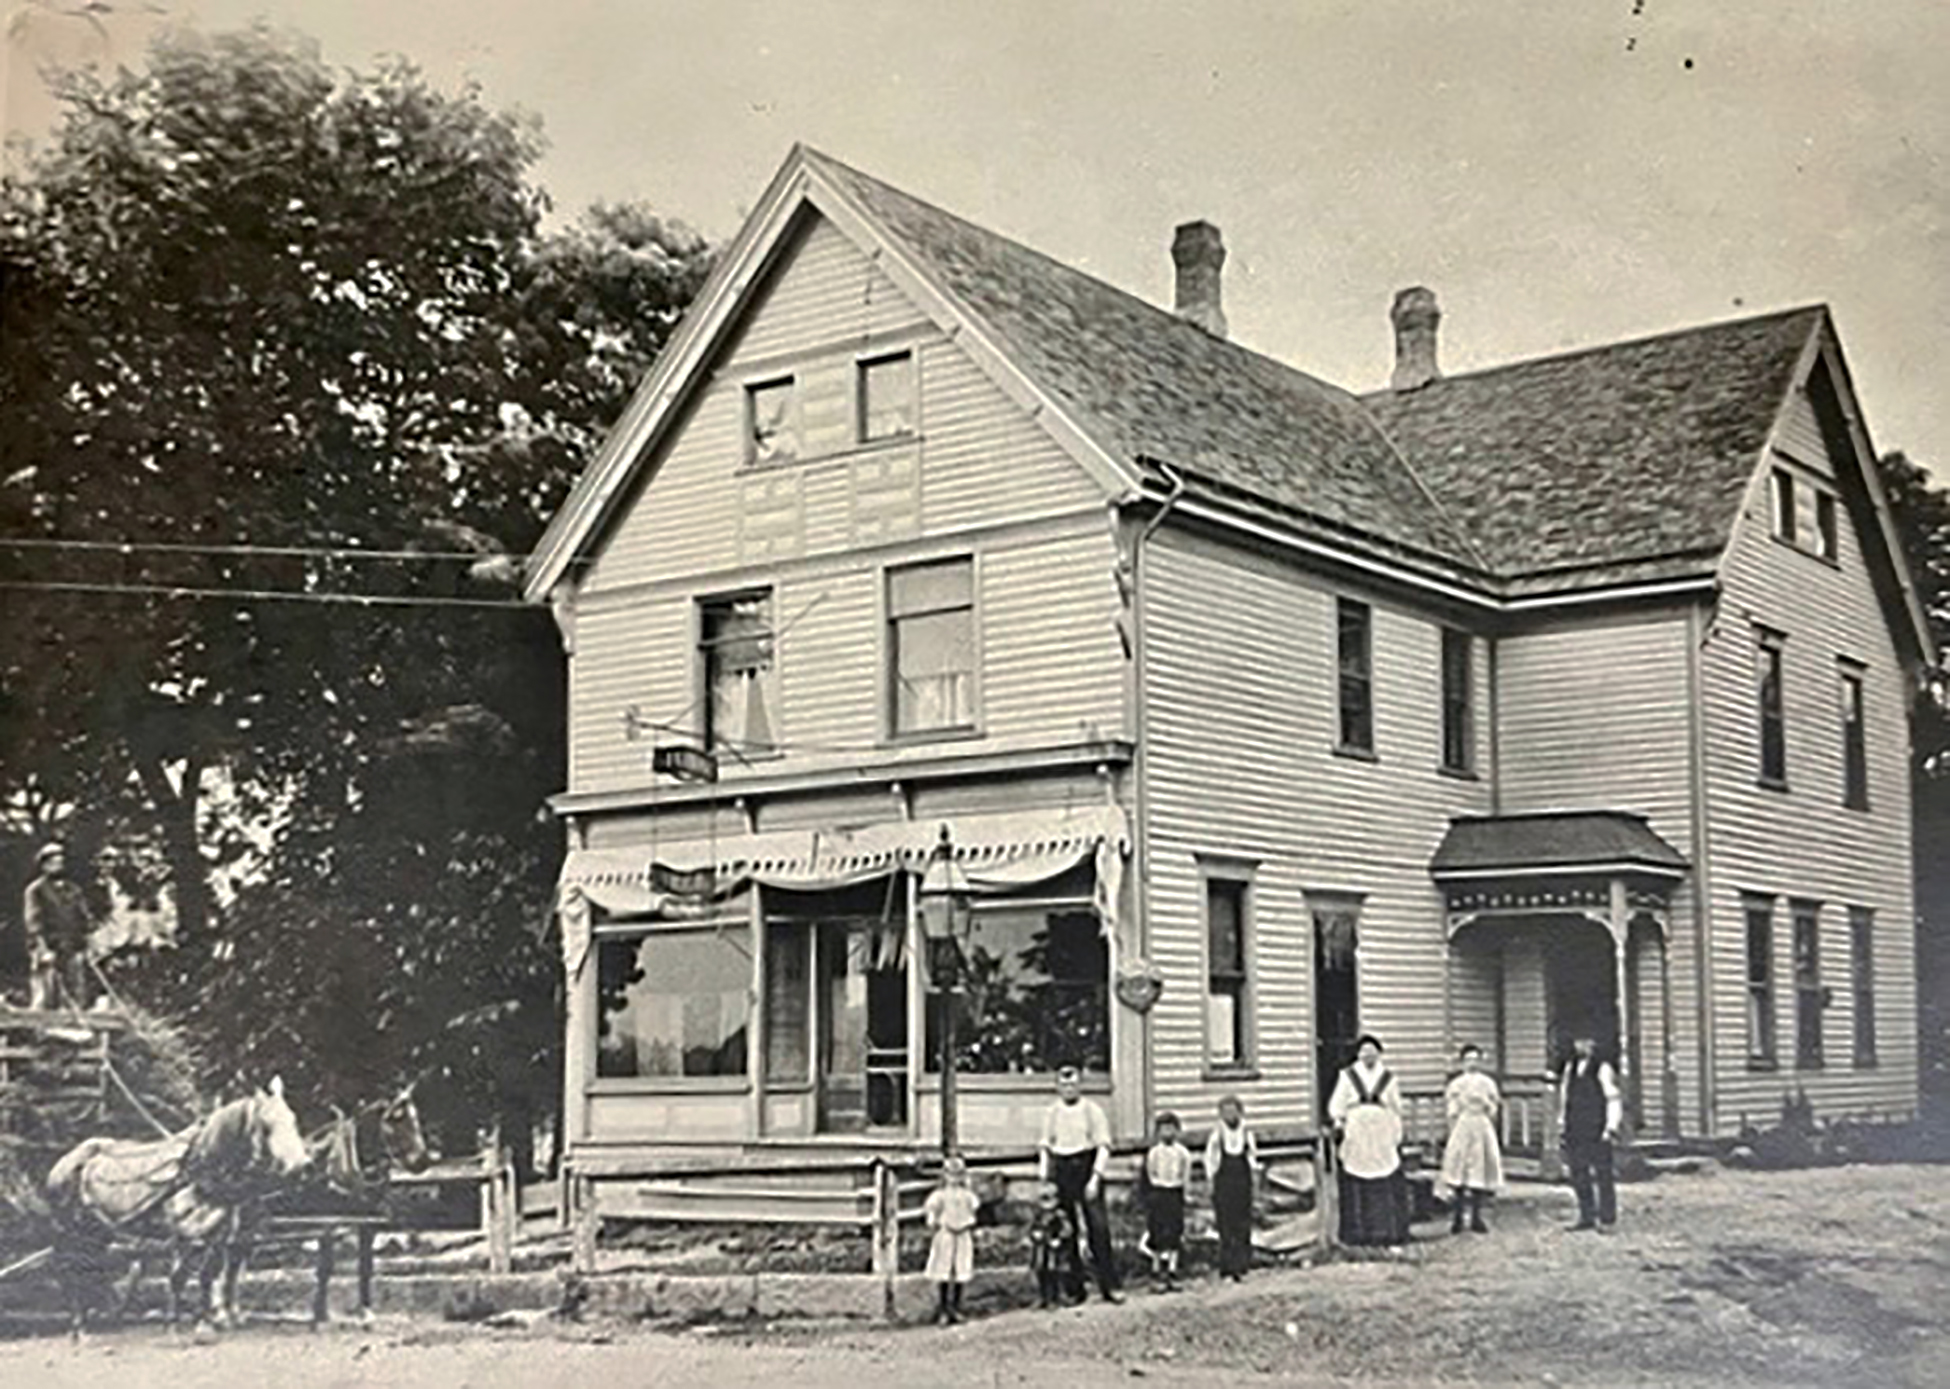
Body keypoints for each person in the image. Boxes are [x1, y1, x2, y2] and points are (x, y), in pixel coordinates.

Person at [1036, 1065, 1122, 1303]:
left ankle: (1110, 1285)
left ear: (1080, 1085)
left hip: (1086, 1166)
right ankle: (1075, 1288)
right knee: (1066, 1230)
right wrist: (1045, 1179)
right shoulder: (1051, 1112)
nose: (1068, 1089)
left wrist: (1096, 1177)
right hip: (1061, 1169)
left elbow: (1104, 1146)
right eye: (1063, 1085)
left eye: (1073, 1084)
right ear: (1057, 1087)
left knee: (1098, 1228)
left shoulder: (1092, 1110)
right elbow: (1045, 1146)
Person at [1327, 1033, 1409, 1249]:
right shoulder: (1347, 1076)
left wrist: (1396, 1133)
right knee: (1356, 1175)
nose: (1368, 1055)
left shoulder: (1389, 1078)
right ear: (1358, 1054)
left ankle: (1387, 1232)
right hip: (1358, 1130)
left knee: (1385, 1176)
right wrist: (1339, 1124)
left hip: (1381, 1131)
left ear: (1379, 1054)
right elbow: (1337, 1105)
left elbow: (1396, 1107)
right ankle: (1357, 1233)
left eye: (1373, 1051)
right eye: (1364, 1051)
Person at [1558, 1033, 1623, 1234]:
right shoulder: (1570, 1067)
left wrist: (1611, 1126)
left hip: (1597, 1127)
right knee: (1579, 1172)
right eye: (1578, 1041)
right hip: (1575, 1127)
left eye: (1586, 1042)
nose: (1581, 1046)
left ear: (1593, 1044)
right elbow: (1564, 1097)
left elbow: (1612, 1098)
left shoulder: (1602, 1068)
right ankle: (1586, 1215)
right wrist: (1561, 1122)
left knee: (1603, 1173)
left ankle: (1607, 1218)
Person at [1439, 1043, 1504, 1234]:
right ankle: (1458, 1217)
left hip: (1481, 1125)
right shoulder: (1456, 1084)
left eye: (1476, 1059)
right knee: (1459, 1171)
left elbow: (1494, 1109)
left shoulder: (1487, 1083)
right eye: (1468, 1059)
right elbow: (1451, 1111)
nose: (1472, 1063)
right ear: (1462, 1062)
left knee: (1480, 1169)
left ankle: (1476, 1217)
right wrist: (1453, 1128)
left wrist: (1485, 1103)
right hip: (1463, 1124)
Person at [23, 842, 94, 1012]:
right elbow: (34, 922)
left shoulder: (73, 890)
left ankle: (75, 1028)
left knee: (75, 987)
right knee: (47, 989)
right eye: (53, 863)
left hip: (71, 946)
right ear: (44, 866)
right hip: (47, 947)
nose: (58, 866)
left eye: (61, 862)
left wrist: (87, 941)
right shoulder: (36, 890)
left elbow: (84, 917)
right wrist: (43, 949)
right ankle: (40, 1028)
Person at [1202, 1095, 1260, 1281]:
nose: (1230, 1115)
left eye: (1233, 1111)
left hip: (1242, 1182)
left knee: (1242, 1223)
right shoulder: (1217, 1134)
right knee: (1225, 1224)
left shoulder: (1246, 1133)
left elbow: (1252, 1158)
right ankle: (1227, 1266)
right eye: (1226, 1112)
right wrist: (1210, 1181)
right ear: (1221, 1114)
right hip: (1224, 1182)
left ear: (1240, 1112)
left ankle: (1242, 1265)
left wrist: (1255, 1179)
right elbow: (1210, 1160)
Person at [1138, 1110, 1192, 1291]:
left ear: (1177, 1131)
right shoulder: (1154, 1153)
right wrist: (1156, 1189)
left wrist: (1183, 1190)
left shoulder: (1182, 1153)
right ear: (1158, 1132)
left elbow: (1185, 1174)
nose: (1167, 1133)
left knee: (1174, 1230)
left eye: (1171, 1128)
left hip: (1175, 1193)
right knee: (1157, 1231)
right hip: (1159, 1193)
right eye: (1163, 1129)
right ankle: (1156, 1270)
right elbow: (1151, 1173)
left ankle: (1172, 1270)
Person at [924, 1155, 980, 1324]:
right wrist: (932, 1219)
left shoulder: (967, 1195)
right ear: (944, 1176)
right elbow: (932, 1210)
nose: (954, 1179)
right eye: (950, 1175)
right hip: (946, 1234)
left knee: (960, 1270)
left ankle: (956, 1307)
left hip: (962, 1234)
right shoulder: (940, 1195)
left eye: (958, 1175)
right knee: (944, 1269)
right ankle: (943, 1308)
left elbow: (974, 1209)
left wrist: (971, 1223)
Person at [1027, 1182, 1083, 1308]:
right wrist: (1035, 1235)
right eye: (1043, 1200)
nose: (1046, 1206)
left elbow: (1068, 1230)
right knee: (1040, 1270)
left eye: (1049, 1200)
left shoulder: (1060, 1215)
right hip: (1042, 1249)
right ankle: (1042, 1296)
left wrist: (1059, 1238)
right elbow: (1033, 1229)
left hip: (1055, 1250)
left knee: (1057, 1271)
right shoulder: (1039, 1216)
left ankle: (1057, 1296)